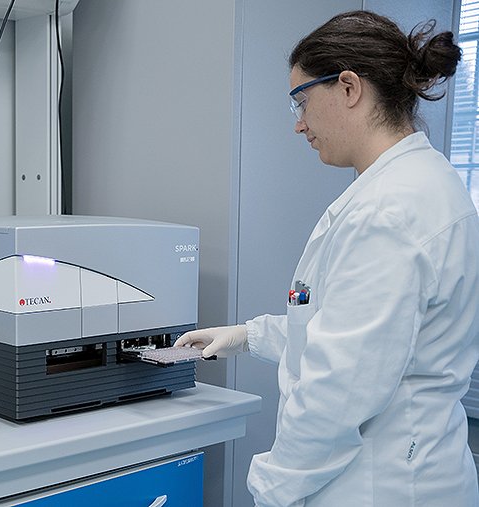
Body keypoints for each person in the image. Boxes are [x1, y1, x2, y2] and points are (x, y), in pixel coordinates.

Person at [176, 10, 479, 506]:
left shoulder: (388, 211)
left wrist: (272, 489)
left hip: (380, 486)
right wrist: (249, 335)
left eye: (301, 101)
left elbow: (339, 388)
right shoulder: (425, 183)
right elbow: (353, 331)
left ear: (348, 87)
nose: (299, 124)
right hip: (420, 467)